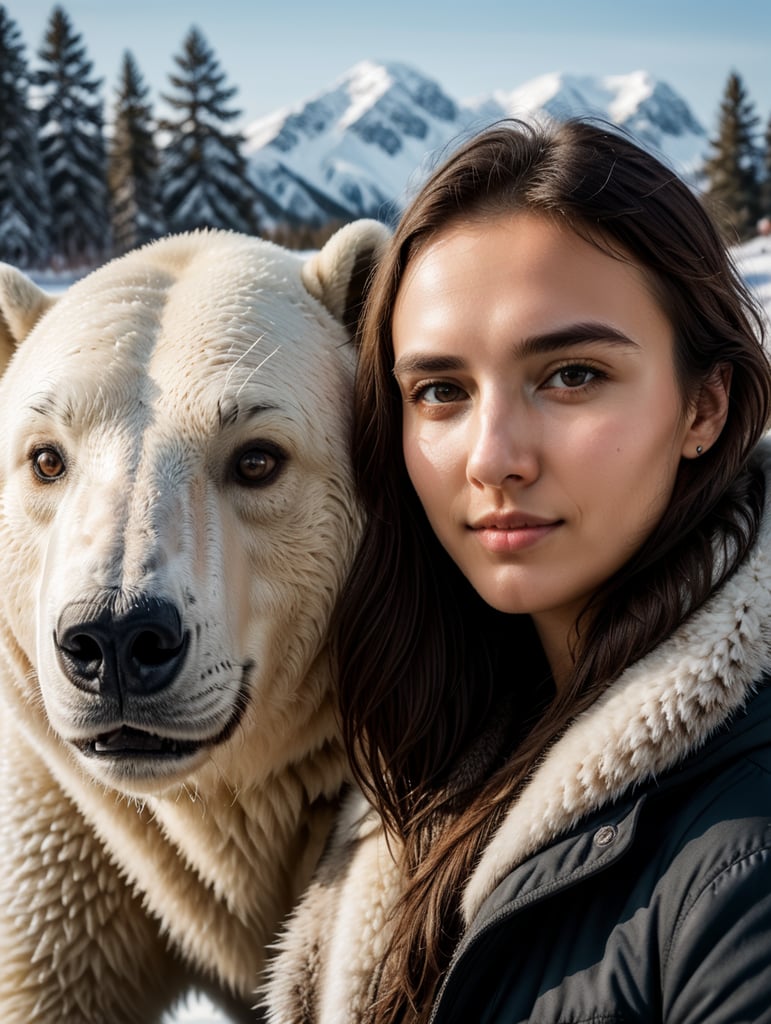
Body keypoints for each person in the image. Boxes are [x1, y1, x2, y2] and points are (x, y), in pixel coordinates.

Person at [261, 119, 771, 1024]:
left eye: (571, 375)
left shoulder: (741, 861)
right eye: (440, 391)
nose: (492, 458)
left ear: (704, 404)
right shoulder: (436, 742)